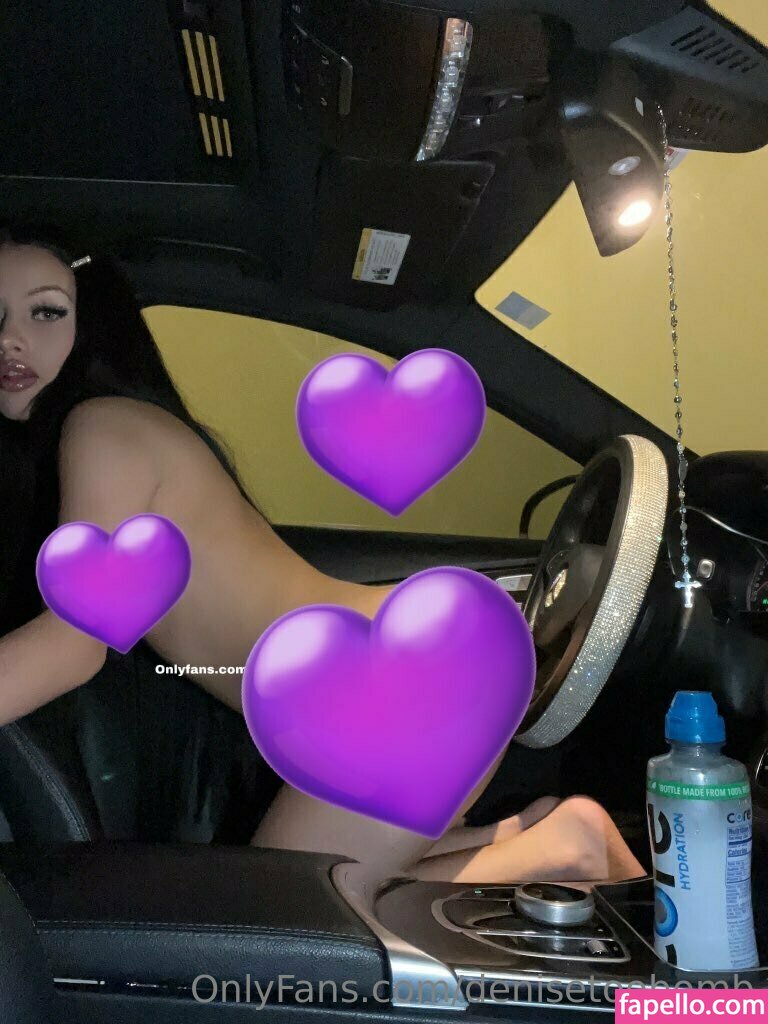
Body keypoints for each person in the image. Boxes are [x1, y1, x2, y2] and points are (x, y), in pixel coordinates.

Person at [0, 223, 645, 884]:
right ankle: (547, 840)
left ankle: (567, 847)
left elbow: (72, 645)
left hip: (394, 680)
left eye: (45, 311)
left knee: (280, 918)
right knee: (322, 904)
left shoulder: (98, 429)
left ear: (96, 320)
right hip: (418, 662)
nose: (9, 340)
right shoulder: (118, 428)